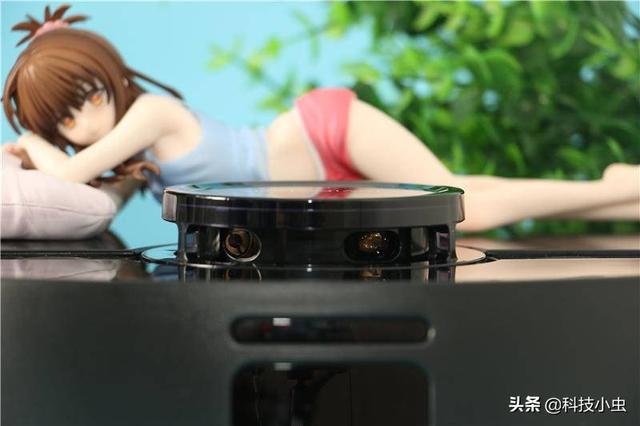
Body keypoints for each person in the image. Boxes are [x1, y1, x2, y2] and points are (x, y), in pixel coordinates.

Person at [3, 5, 639, 232]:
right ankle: (622, 194)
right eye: (67, 118)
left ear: (109, 76)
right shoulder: (132, 156)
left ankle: (611, 187)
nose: (89, 115)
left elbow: (69, 176)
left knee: (460, 204)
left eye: (89, 93)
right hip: (318, 180)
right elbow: (92, 200)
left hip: (324, 131)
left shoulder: (149, 112)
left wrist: (32, 142)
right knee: (469, 193)